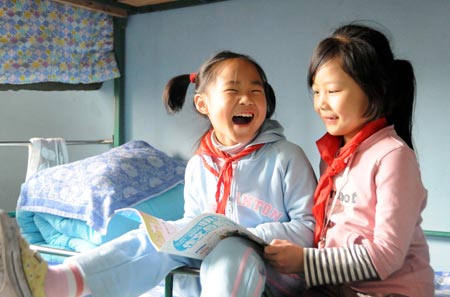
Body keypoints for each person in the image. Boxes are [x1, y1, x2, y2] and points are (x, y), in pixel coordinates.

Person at [0, 50, 317, 297]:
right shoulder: (199, 164)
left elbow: (310, 228)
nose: (246, 99)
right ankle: (61, 283)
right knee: (154, 240)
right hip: (208, 264)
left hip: (274, 274)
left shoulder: (286, 157)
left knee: (231, 250)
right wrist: (173, 233)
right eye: (233, 90)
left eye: (256, 91)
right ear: (203, 104)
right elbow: (195, 220)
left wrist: (246, 235)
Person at [263, 23, 435, 297]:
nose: (321, 103)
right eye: (316, 91)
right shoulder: (333, 155)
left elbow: (386, 254)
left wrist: (305, 260)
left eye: (332, 91)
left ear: (374, 91)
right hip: (338, 289)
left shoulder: (392, 156)